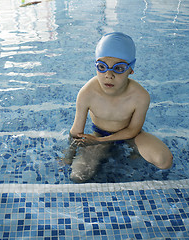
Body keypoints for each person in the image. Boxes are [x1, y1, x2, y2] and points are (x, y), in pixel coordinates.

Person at [65, 32, 173, 183]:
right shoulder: (87, 93)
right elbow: (76, 132)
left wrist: (102, 142)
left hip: (131, 136)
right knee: (78, 176)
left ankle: (120, 150)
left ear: (131, 69)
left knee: (164, 160)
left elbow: (133, 130)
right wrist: (68, 157)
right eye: (102, 67)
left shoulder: (140, 96)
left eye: (119, 68)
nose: (109, 75)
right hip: (99, 134)